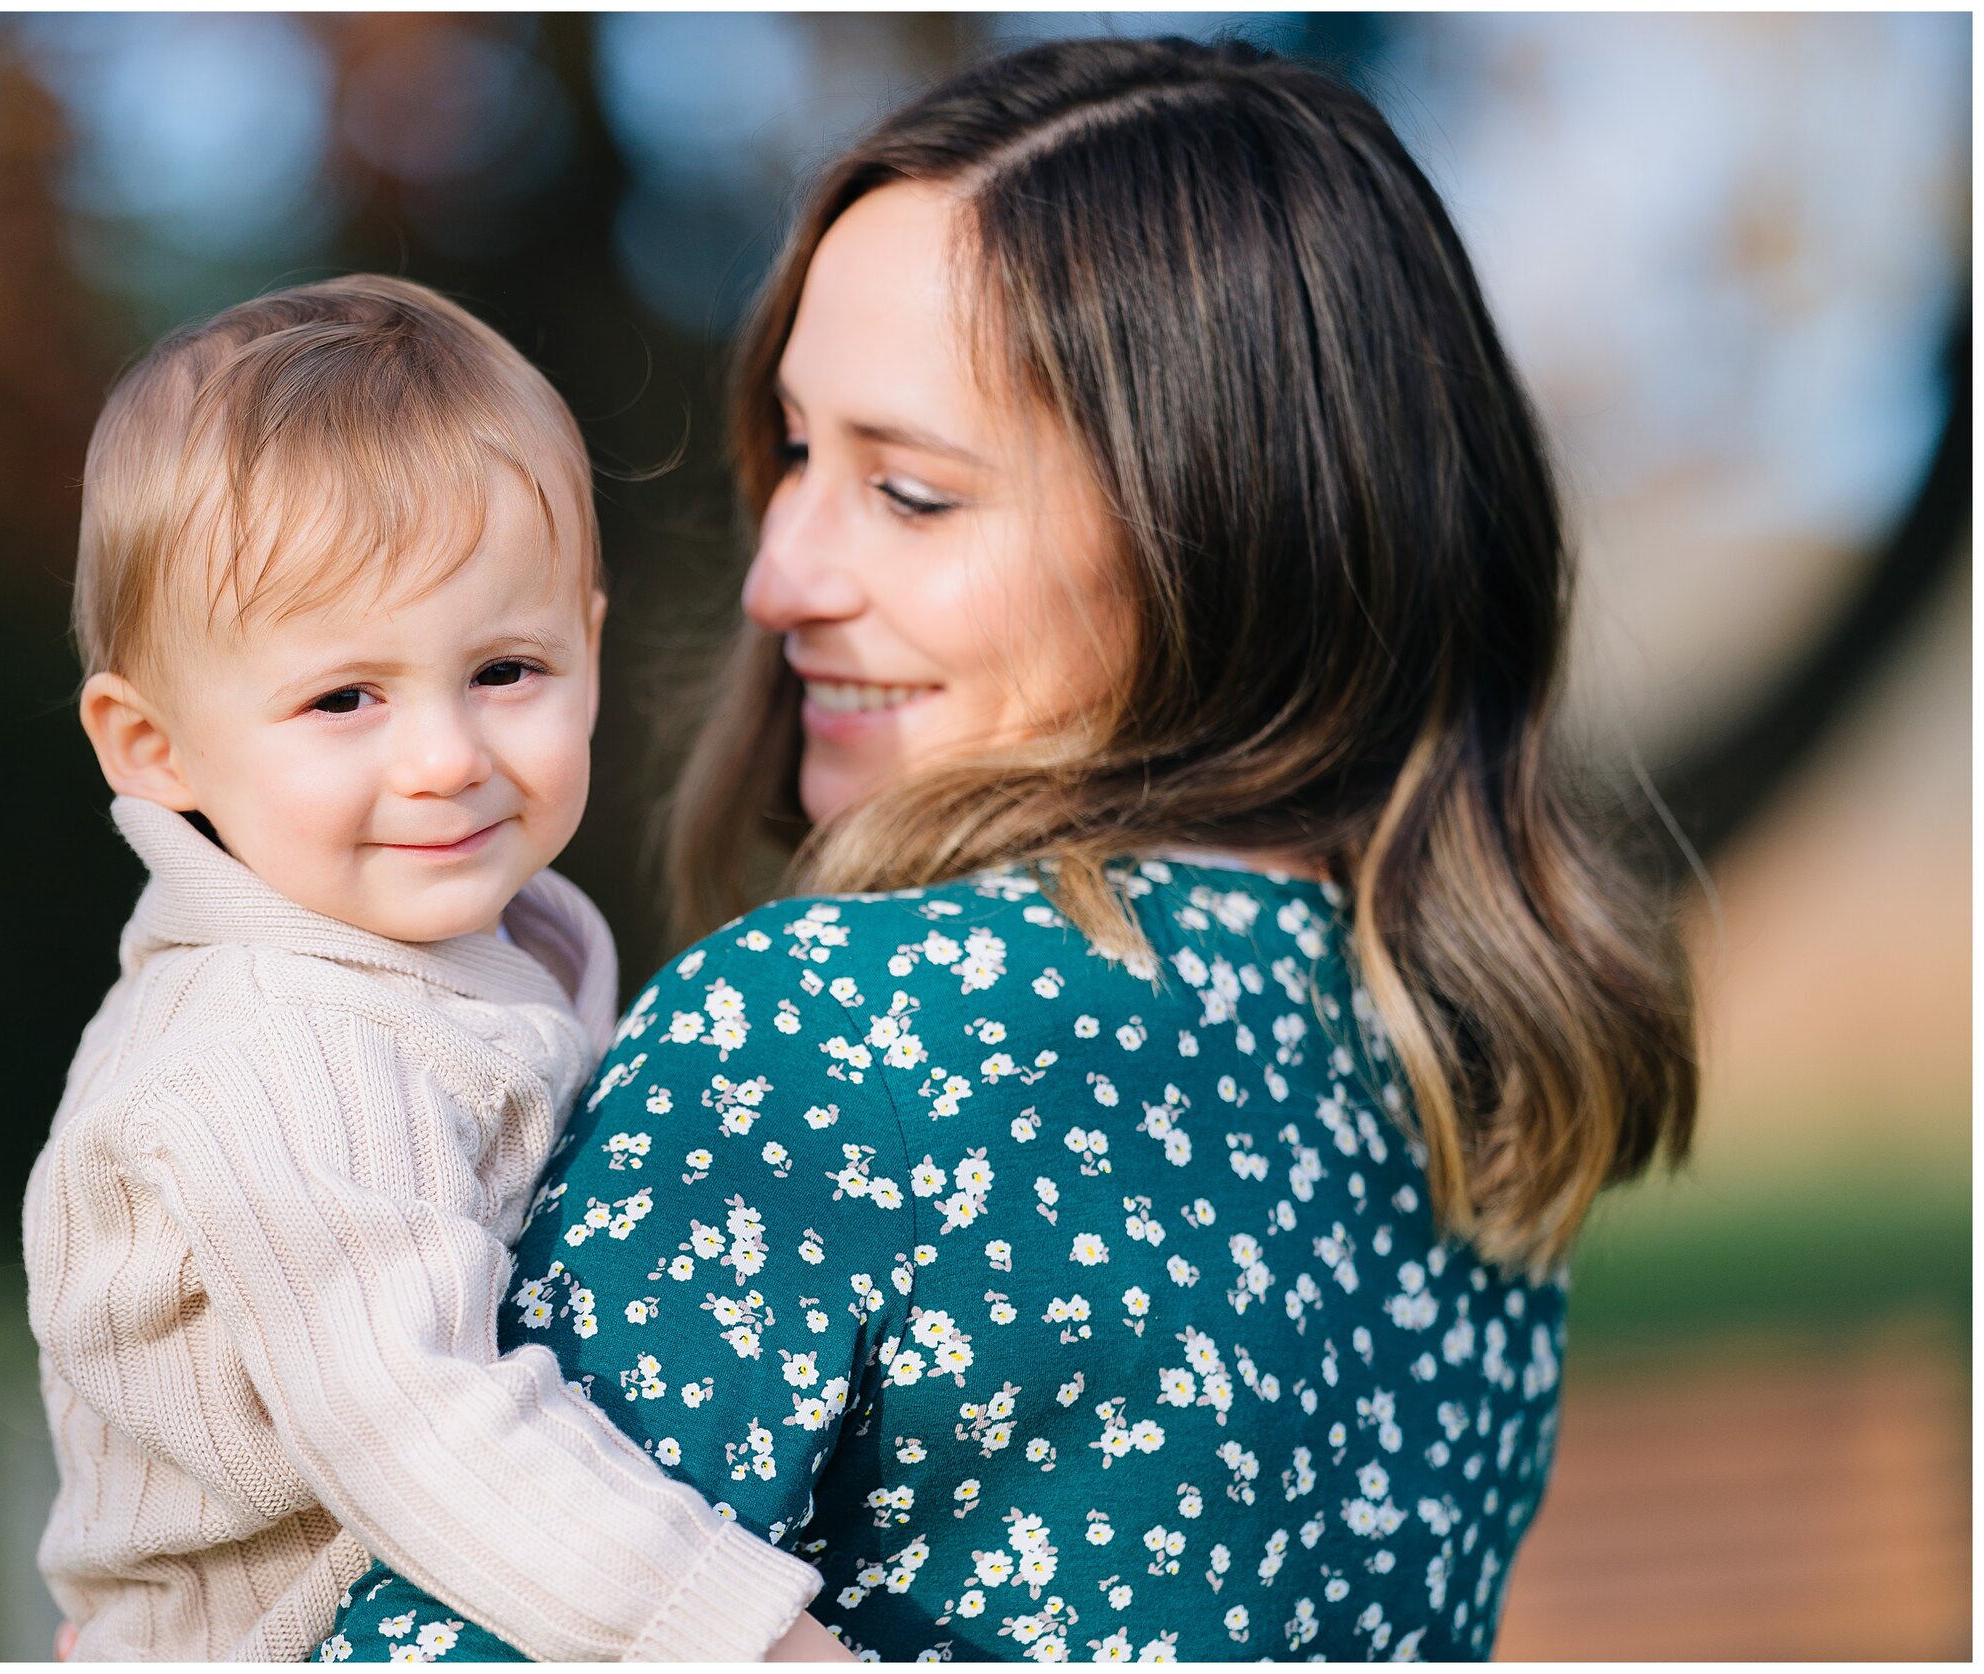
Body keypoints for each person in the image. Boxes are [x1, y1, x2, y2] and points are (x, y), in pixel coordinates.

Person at [323, 36, 1696, 1663]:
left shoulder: (833, 1035)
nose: (780, 576)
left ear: (1224, 529)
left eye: (909, 492)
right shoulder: (1464, 1073)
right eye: (796, 450)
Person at [24, 275, 847, 1661]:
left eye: (507, 669)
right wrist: (752, 1641)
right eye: (347, 697)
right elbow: (422, 1422)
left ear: (589, 640)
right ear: (154, 746)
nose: (446, 755)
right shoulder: (274, 1042)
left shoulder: (458, 956)